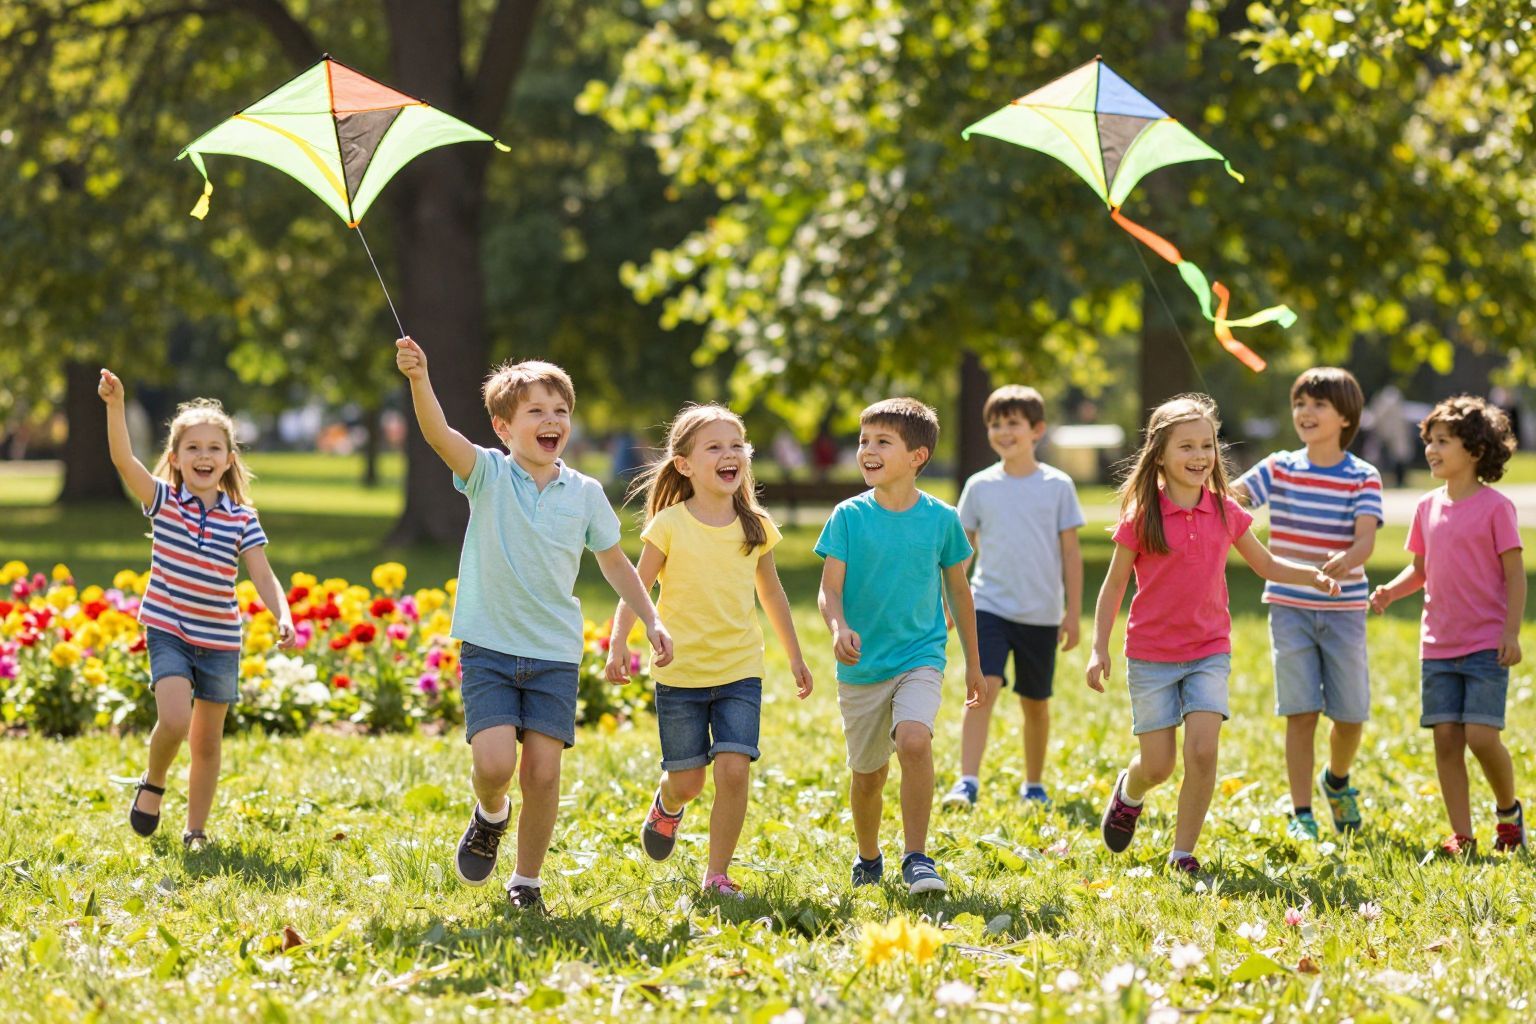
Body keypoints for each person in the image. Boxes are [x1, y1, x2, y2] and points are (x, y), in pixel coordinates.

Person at [395, 337, 673, 913]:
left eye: (561, 411)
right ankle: (490, 813)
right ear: (503, 427)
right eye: (536, 412)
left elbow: (616, 562)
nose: (552, 421)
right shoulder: (488, 474)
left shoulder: (586, 493)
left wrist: (650, 617)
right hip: (490, 647)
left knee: (544, 773)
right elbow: (438, 436)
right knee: (495, 765)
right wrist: (421, 379)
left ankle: (526, 881)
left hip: (553, 652)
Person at [1087, 394, 1340, 875]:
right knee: (1158, 764)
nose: (1200, 456)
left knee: (1203, 750)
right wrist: (1099, 648)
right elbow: (1114, 584)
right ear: (1159, 454)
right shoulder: (1143, 516)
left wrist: (1311, 575)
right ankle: (1131, 790)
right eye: (1186, 446)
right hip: (1152, 655)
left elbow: (1265, 563)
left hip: (1208, 651)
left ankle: (1183, 854)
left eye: (1206, 445)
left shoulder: (1225, 511)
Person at [605, 404, 813, 898]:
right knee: (689, 781)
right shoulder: (669, 525)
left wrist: (796, 656)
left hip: (741, 668)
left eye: (736, 445)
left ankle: (715, 874)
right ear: (685, 465)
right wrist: (619, 644)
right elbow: (638, 586)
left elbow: (773, 594)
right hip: (680, 673)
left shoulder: (755, 524)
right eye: (714, 447)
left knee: (735, 769)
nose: (729, 454)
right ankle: (668, 805)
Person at [99, 371, 295, 851]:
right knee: (173, 719)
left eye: (213, 448)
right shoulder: (165, 502)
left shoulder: (241, 518)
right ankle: (154, 780)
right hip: (169, 628)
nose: (203, 456)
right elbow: (124, 461)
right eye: (192, 448)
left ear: (229, 460)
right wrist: (116, 405)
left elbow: (262, 574)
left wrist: (282, 613)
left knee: (207, 742)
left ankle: (196, 830)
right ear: (175, 458)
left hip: (221, 639)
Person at [815, 398, 984, 895]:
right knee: (868, 775)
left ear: (918, 456)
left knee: (914, 740)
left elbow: (959, 592)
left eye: (882, 441)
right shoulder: (847, 517)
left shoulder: (941, 519)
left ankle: (918, 856)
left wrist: (974, 661)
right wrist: (837, 627)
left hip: (920, 655)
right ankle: (869, 856)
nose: (867, 450)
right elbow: (830, 589)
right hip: (863, 665)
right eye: (864, 440)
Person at [1371, 395, 1525, 855]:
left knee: (1481, 736)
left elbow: (1515, 576)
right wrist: (1390, 592)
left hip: (1484, 645)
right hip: (1437, 645)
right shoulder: (1425, 507)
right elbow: (1420, 569)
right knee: (1445, 740)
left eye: (1443, 441)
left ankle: (1507, 813)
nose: (1431, 450)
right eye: (1429, 441)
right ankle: (1462, 834)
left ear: (1475, 451)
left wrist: (1511, 633)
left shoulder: (1497, 508)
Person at [1232, 368, 1382, 841]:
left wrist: (1348, 559)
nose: (1306, 413)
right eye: (1300, 404)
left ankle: (1336, 781)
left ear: (1345, 417)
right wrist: (1202, 471)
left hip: (1344, 609)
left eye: (1318, 404)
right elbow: (1232, 499)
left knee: (1350, 715)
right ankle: (1301, 813)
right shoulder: (1278, 466)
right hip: (1289, 606)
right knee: (1300, 712)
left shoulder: (1363, 475)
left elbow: (1365, 542)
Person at [942, 385, 1084, 810]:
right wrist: (950, 605)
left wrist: (1073, 613)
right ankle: (966, 780)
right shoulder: (980, 486)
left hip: (1041, 613)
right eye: (995, 424)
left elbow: (1072, 554)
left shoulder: (1058, 485)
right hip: (989, 605)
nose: (1003, 432)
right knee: (983, 687)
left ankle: (1034, 783)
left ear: (1037, 430)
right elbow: (960, 552)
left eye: (1013, 424)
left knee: (1035, 703)